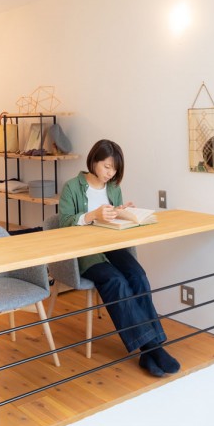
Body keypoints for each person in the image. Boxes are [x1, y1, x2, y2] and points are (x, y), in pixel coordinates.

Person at [57, 139, 181, 377]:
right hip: (85, 252)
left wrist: (123, 212)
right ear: (93, 161)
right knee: (115, 281)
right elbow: (62, 224)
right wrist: (91, 215)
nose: (110, 173)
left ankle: (149, 353)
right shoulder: (72, 187)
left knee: (138, 275)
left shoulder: (113, 188)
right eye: (106, 167)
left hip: (112, 245)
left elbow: (113, 220)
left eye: (114, 169)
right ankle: (153, 348)